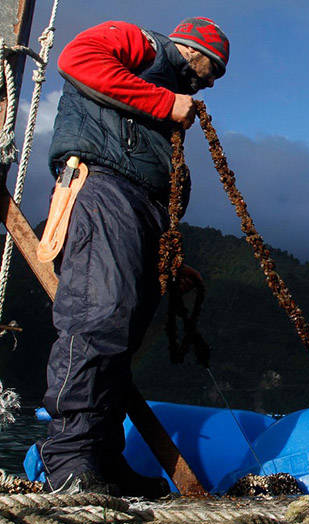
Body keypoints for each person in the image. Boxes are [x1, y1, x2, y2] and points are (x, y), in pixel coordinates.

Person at [36, 17, 229, 497]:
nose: (210, 82)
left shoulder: (166, 102)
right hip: (105, 186)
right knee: (99, 316)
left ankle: (102, 458)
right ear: (194, 49)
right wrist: (166, 102)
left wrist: (168, 257)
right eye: (213, 69)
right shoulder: (139, 43)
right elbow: (77, 59)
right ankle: (70, 460)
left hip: (143, 208)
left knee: (122, 334)